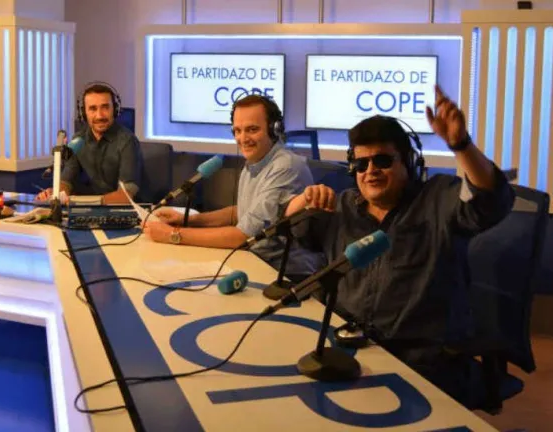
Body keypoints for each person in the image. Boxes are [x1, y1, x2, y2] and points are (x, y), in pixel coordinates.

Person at [285, 86, 515, 403]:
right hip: (347, 347)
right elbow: (292, 231)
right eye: (361, 164)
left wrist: (461, 146)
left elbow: (490, 200)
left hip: (419, 363)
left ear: (408, 162)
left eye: (382, 160)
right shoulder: (343, 207)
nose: (370, 171)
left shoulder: (439, 199)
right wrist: (302, 201)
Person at [144, 95, 323, 279]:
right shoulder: (254, 162)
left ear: (275, 129)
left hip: (285, 276)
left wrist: (173, 235)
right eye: (237, 131)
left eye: (252, 129)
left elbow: (244, 235)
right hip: (253, 262)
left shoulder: (286, 167)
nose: (243, 138)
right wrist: (188, 220)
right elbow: (244, 212)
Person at [36, 82, 141, 204]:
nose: (99, 115)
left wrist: (85, 202)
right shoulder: (78, 140)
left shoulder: (128, 142)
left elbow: (126, 197)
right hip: (88, 210)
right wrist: (56, 194)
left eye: (105, 107)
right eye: (92, 109)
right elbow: (66, 181)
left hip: (121, 210)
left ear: (115, 109)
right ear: (84, 113)